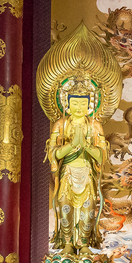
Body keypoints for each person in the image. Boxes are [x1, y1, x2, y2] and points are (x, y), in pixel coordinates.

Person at [46, 83, 108, 254]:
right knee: (65, 207)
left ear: (90, 104)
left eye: (83, 103)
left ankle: (84, 244)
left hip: (87, 173)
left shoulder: (95, 125)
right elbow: (53, 154)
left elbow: (102, 156)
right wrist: (71, 145)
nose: (79, 107)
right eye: (75, 103)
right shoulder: (61, 124)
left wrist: (86, 146)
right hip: (67, 172)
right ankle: (67, 243)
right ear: (67, 103)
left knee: (88, 210)